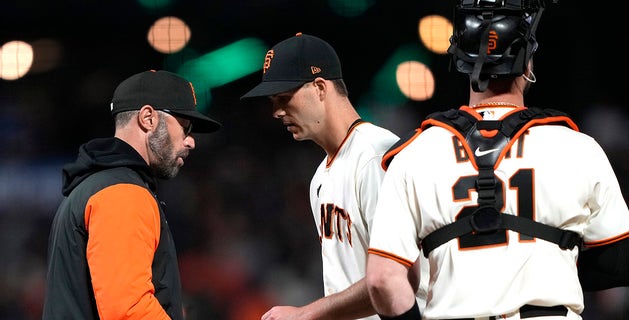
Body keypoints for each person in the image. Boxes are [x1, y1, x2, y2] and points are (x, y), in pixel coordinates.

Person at [366, 1, 629, 320]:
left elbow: (382, 279)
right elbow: (619, 265)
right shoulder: (577, 147)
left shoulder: (413, 154)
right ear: (528, 65)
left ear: (460, 62)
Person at [241, 33, 429, 320]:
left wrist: (307, 313)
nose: (277, 112)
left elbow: (400, 276)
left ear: (319, 87)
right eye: (273, 101)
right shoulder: (320, 177)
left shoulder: (376, 156)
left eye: (285, 97)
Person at [42, 69, 221, 319]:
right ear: (148, 118)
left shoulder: (96, 185)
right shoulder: (122, 193)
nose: (191, 141)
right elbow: (128, 310)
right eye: (185, 127)